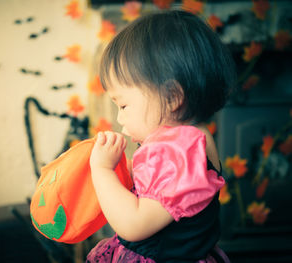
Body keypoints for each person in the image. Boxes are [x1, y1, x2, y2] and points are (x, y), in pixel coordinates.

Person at [87, 9, 236, 263]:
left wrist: (102, 170)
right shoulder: (193, 140)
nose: (120, 118)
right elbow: (159, 193)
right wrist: (128, 170)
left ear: (172, 97)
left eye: (123, 105)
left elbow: (133, 224)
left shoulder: (177, 149)